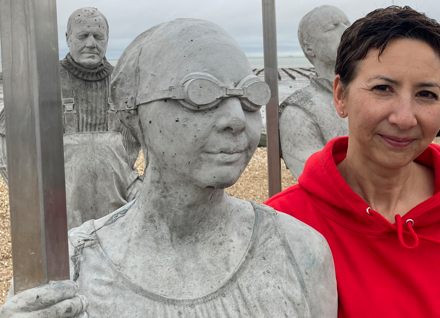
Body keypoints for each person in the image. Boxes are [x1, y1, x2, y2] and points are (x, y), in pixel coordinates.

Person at [0, 18, 337, 317]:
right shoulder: (68, 270)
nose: (237, 120)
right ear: (132, 111)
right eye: (200, 93)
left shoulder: (300, 252)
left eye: (250, 97)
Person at [267, 6, 440, 317]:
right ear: (340, 95)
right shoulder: (283, 228)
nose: (404, 119)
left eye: (426, 94)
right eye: (382, 89)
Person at [0, 7, 141, 229]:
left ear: (107, 39)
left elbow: (153, 137)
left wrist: (140, 185)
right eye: (83, 36)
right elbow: (8, 136)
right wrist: (28, 194)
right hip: (59, 209)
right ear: (67, 38)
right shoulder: (42, 82)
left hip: (118, 212)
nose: (91, 43)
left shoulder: (123, 84)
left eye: (98, 36)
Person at [279, 5, 351, 178]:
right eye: (332, 27)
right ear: (309, 47)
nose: (347, 30)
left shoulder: (377, 92)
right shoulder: (299, 111)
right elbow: (316, 180)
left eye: (347, 22)